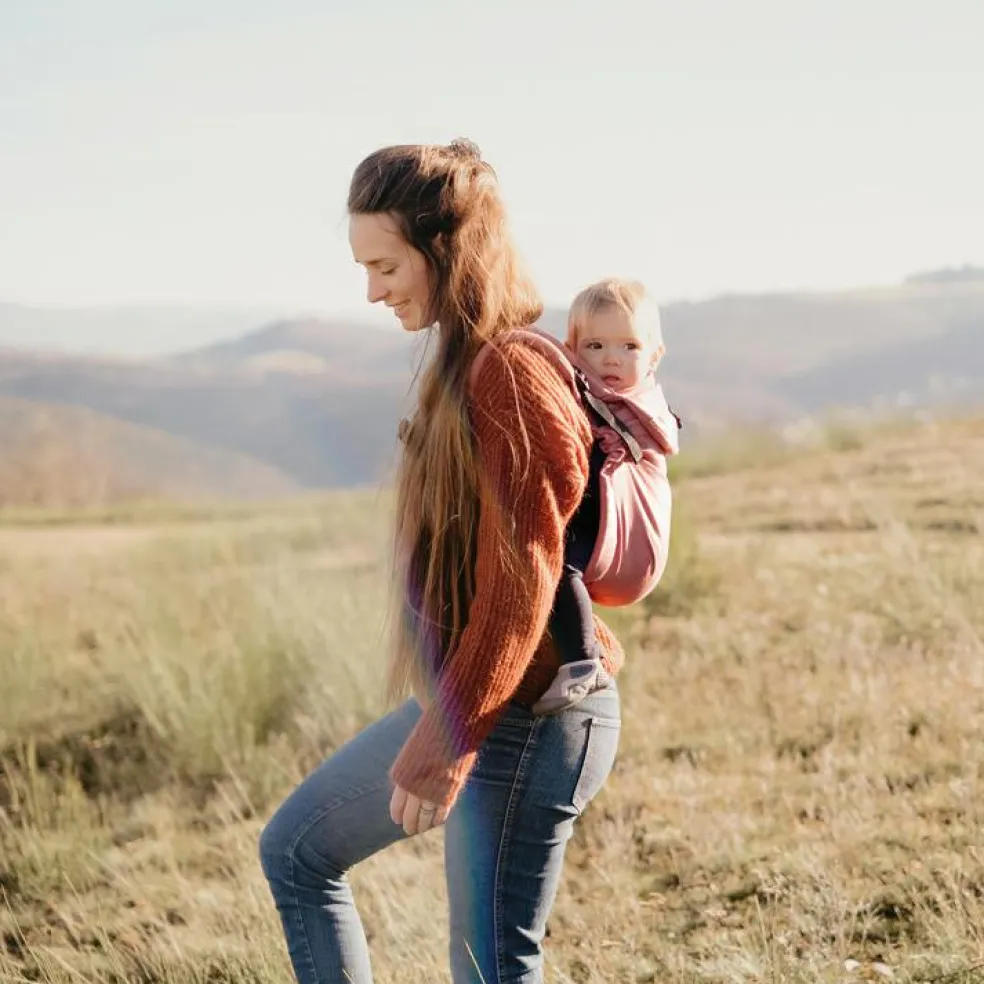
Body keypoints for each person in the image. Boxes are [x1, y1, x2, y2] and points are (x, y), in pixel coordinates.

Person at [258, 138, 624, 984]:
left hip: (531, 716)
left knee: (490, 968)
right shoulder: (465, 365)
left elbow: (524, 577)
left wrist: (443, 742)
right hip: (479, 700)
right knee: (297, 851)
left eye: (386, 265)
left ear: (446, 251)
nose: (371, 290)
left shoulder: (510, 374)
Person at [534, 278, 672, 715]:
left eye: (628, 346)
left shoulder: (638, 401)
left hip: (619, 514)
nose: (610, 358)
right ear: (574, 347)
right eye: (594, 345)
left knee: (558, 567)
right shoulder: (601, 390)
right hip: (594, 498)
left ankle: (581, 662)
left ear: (654, 355)